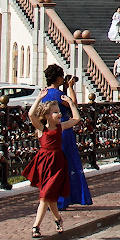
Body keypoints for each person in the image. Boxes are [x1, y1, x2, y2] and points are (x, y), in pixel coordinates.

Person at [34, 66, 93, 211]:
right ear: (58, 78)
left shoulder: (44, 93)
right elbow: (73, 105)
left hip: (48, 131)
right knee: (66, 162)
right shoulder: (58, 94)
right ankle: (66, 198)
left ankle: (55, 198)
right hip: (63, 130)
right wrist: (71, 88)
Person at [26, 103, 69, 236]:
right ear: (47, 116)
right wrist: (39, 98)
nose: (59, 114)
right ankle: (58, 219)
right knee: (49, 197)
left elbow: (77, 119)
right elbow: (30, 114)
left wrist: (71, 103)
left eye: (59, 111)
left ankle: (36, 226)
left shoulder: (60, 127)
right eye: (55, 112)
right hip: (44, 164)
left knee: (45, 196)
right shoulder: (42, 128)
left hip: (58, 164)